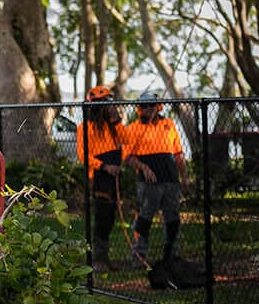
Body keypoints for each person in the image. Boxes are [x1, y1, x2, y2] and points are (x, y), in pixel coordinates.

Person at [123, 91, 189, 266]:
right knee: (144, 217)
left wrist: (184, 177)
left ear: (158, 106)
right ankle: (138, 256)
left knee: (172, 217)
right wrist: (144, 168)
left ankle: (171, 255)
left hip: (171, 179)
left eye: (152, 105)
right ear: (139, 109)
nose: (149, 109)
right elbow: (128, 157)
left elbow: (179, 154)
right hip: (148, 183)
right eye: (144, 106)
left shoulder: (169, 124)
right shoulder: (133, 128)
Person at [77, 85, 123, 272]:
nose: (106, 107)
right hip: (98, 176)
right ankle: (96, 258)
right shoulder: (84, 128)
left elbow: (126, 141)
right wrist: (104, 166)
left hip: (113, 176)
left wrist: (117, 121)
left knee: (110, 217)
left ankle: (105, 256)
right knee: (101, 217)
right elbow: (83, 155)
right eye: (102, 104)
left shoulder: (112, 127)